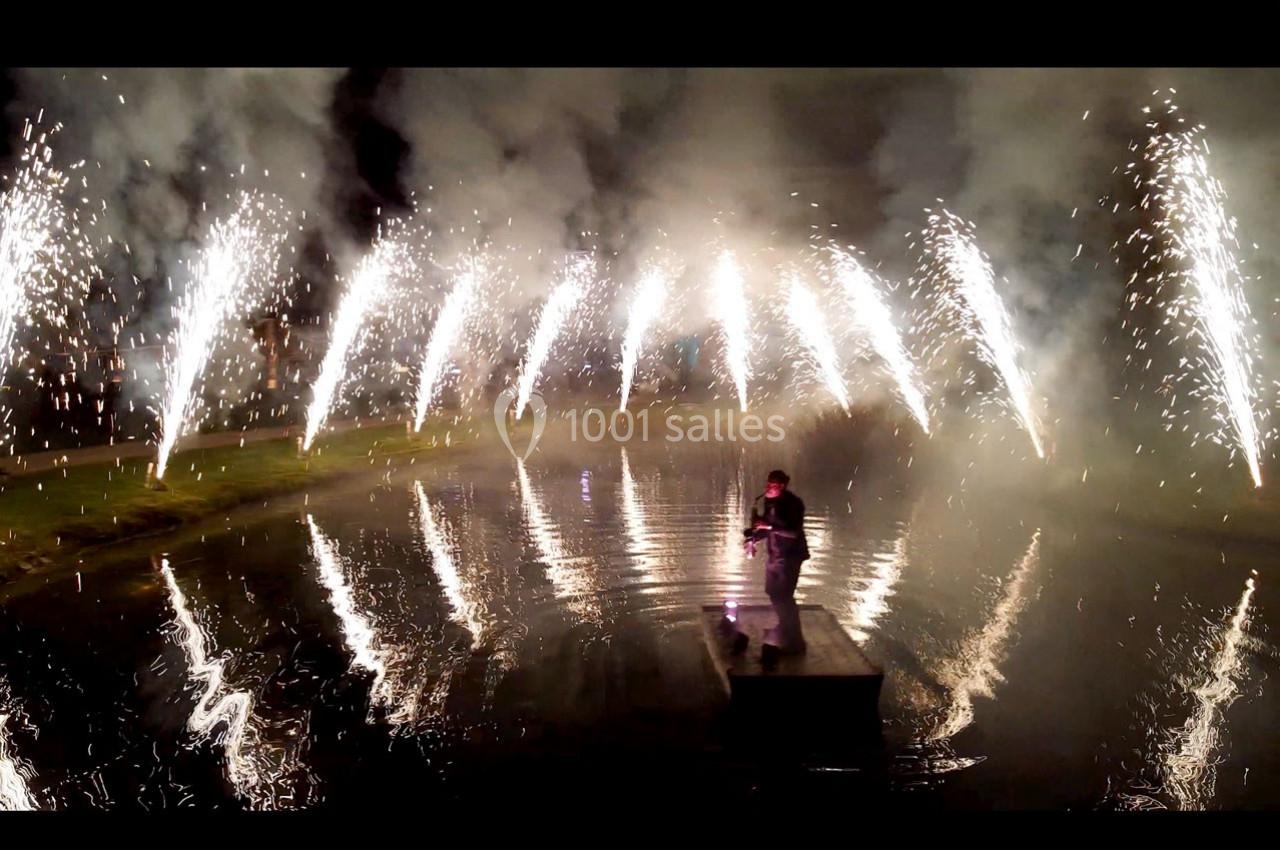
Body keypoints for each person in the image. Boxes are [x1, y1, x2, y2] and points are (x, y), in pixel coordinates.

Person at [744, 469, 809, 653]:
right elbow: (766, 529)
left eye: (772, 485)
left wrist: (768, 525)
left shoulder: (794, 503)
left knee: (784, 597)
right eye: (768, 484)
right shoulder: (769, 501)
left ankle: (796, 641)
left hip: (790, 557)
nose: (768, 488)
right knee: (773, 594)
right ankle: (784, 627)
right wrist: (754, 538)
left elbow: (793, 532)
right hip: (775, 556)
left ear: (782, 486)